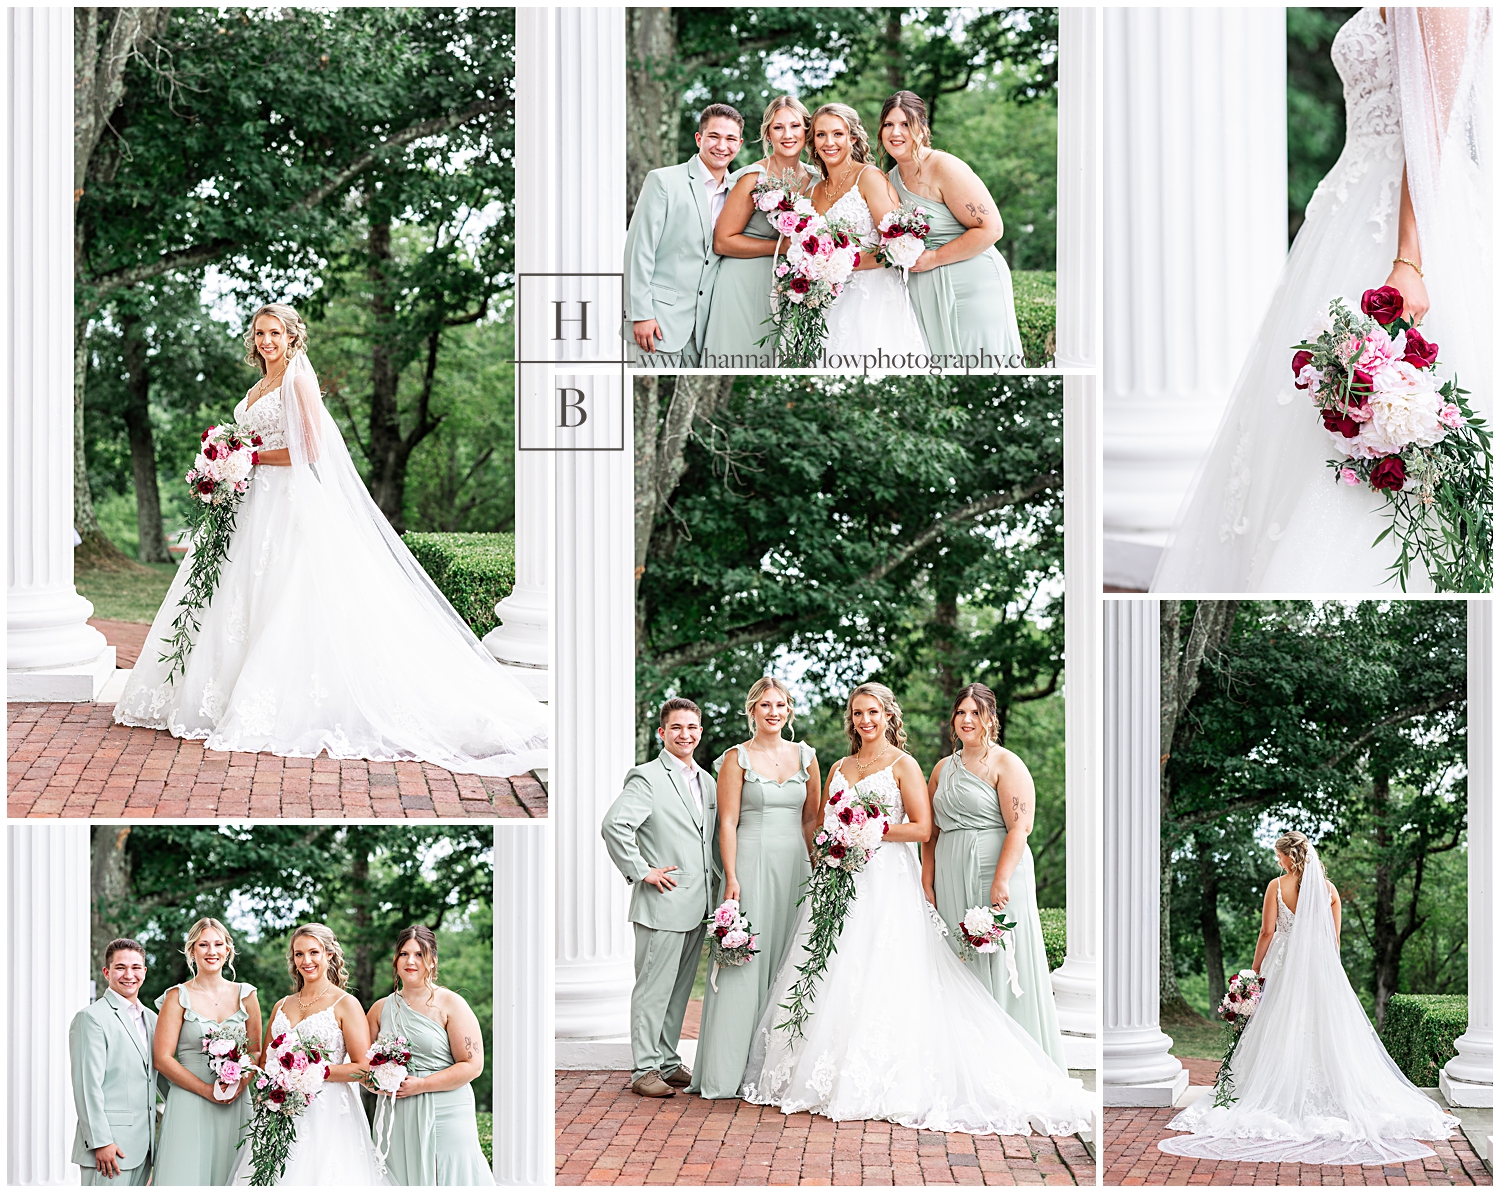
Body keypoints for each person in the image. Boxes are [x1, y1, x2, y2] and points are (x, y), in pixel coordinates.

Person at [114, 303, 549, 777]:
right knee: (235, 599)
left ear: (292, 338)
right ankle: (216, 694)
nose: (266, 341)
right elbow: (251, 442)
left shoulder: (298, 382)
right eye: (260, 333)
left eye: (275, 333)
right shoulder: (256, 386)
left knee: (289, 597)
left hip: (286, 503)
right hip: (249, 503)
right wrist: (225, 467)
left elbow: (310, 448)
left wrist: (248, 459)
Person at [1153, 8, 1491, 592]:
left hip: (1401, 223)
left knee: (1380, 404)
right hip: (1349, 208)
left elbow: (1430, 126)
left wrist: (1409, 259)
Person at [741, 684, 1092, 1135]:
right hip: (842, 879)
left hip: (886, 877)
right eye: (857, 713)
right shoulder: (840, 767)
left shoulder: (905, 764)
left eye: (873, 712)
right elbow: (829, 820)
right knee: (836, 968)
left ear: (889, 716)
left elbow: (923, 827)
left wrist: (871, 831)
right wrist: (836, 843)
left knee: (888, 969)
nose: (865, 720)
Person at [1159, 832, 1460, 1163]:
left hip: (1281, 965)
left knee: (1278, 1025)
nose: (1277, 861)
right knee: (1322, 1028)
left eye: (1279, 856)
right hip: (1319, 969)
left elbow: (1267, 932)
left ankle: (1271, 1092)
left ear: (1291, 857)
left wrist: (1253, 972)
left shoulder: (1276, 886)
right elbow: (1335, 943)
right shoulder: (1329, 891)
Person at [924, 683, 1067, 1069]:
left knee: (1002, 959)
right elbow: (931, 831)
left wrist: (1001, 880)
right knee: (960, 958)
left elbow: (1020, 828)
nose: (967, 720)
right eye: (960, 713)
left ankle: (1012, 1061)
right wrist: (927, 878)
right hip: (951, 870)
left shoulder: (1007, 763)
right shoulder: (942, 768)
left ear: (991, 718)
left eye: (975, 712)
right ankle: (966, 1061)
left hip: (997, 870)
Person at [689, 677, 819, 1099]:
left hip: (796, 867)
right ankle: (725, 1074)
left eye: (780, 704)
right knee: (744, 964)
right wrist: (731, 876)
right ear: (752, 711)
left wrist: (820, 869)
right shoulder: (735, 759)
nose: (773, 712)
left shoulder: (808, 757)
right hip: (750, 863)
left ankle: (777, 1073)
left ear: (789, 711)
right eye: (765, 705)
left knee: (790, 958)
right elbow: (727, 822)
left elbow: (811, 820)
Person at [600, 697, 719, 1098]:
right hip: (662, 903)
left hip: (698, 903)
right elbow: (615, 825)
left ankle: (667, 1061)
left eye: (692, 728)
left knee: (679, 990)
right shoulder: (647, 777)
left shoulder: (708, 781)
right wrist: (642, 870)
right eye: (677, 728)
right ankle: (644, 1070)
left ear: (700, 732)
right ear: (662, 733)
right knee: (652, 989)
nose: (685, 734)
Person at [230, 924, 387, 1185]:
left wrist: (314, 1071)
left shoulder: (345, 1004)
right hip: (281, 1113)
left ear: (329, 955)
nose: (306, 961)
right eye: (299, 954)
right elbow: (265, 1062)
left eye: (314, 952)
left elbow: (364, 1068)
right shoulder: (281, 1005)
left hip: (328, 1115)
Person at [880, 91, 1024, 365]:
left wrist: (934, 258)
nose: (896, 132)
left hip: (972, 282)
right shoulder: (889, 180)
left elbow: (991, 229)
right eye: (889, 124)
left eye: (905, 124)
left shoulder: (944, 166)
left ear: (923, 129)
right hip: (926, 288)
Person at [365, 926, 494, 1185]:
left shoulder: (451, 1003)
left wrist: (422, 1085)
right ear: (395, 960)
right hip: (396, 1112)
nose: (410, 961)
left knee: (447, 1174)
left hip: (446, 1109)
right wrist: (379, 1084)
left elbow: (472, 1065)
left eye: (419, 954)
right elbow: (363, 1066)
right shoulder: (379, 1009)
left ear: (432, 961)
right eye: (403, 954)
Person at [701, 96, 819, 366]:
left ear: (806, 131)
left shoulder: (816, 179)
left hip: (786, 286)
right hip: (742, 281)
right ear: (768, 134)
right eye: (778, 128)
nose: (787, 135)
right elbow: (722, 241)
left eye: (795, 126)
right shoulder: (753, 177)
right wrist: (782, 248)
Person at [623, 104, 743, 366]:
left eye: (730, 139)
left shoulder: (741, 193)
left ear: (740, 144)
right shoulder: (663, 181)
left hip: (710, 332)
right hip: (657, 324)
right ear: (699, 138)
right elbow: (639, 250)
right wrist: (640, 314)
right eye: (714, 136)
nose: (722, 146)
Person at [808, 104, 928, 359]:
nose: (829, 142)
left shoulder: (869, 177)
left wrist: (841, 264)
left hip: (871, 297)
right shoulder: (813, 191)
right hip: (826, 300)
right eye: (821, 134)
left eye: (838, 134)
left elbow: (898, 246)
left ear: (852, 138)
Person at [152, 918, 261, 1185]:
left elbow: (257, 1050)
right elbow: (162, 1059)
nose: (211, 951)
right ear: (192, 951)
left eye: (217, 944)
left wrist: (238, 1085)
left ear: (227, 951)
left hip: (236, 1101)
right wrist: (205, 1089)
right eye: (203, 945)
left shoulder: (246, 995)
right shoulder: (177, 997)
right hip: (190, 1100)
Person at [69, 939, 159, 1186]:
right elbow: (87, 1086)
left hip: (144, 1148)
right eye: (120, 968)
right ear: (107, 972)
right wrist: (101, 1142)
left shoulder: (152, 1019)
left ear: (144, 972)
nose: (129, 975)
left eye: (136, 967)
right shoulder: (91, 1018)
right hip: (109, 1150)